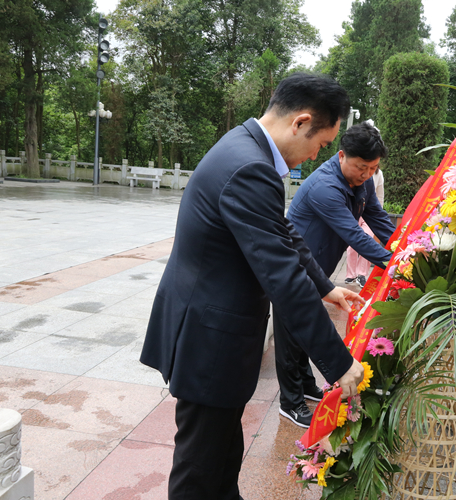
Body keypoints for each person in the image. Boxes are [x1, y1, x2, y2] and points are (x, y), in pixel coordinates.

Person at [140, 73, 365, 500]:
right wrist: (338, 362)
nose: (316, 155)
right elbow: (283, 277)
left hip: (212, 330)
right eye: (320, 144)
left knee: (222, 455)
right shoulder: (250, 167)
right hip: (209, 339)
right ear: (301, 122)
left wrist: (326, 287)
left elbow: (282, 231)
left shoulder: (245, 148)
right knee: (199, 470)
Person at [273, 121, 395, 427]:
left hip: (318, 268)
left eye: (373, 168)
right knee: (290, 333)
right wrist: (394, 264)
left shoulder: (362, 181)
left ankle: (305, 385)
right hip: (292, 267)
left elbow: (377, 218)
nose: (366, 174)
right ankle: (290, 401)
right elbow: (354, 234)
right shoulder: (325, 187)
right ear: (341, 156)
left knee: (304, 329)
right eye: (361, 167)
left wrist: (403, 249)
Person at [345, 165, 385, 287]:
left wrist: (377, 214)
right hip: (354, 213)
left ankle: (361, 274)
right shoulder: (354, 170)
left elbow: (380, 195)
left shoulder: (378, 174)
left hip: (369, 214)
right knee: (352, 245)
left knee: (367, 242)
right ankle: (351, 274)